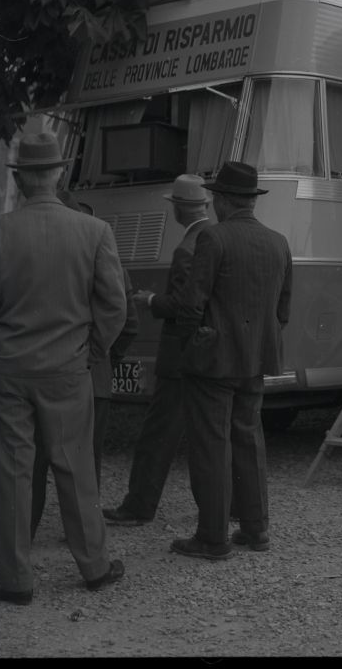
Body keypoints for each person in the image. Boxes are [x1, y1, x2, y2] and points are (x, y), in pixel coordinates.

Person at [0, 132, 127, 604]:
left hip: (8, 368)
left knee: (11, 473)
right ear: (59, 174)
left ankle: (15, 580)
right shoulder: (93, 231)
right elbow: (114, 306)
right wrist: (92, 350)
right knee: (75, 467)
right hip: (67, 367)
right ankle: (94, 568)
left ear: (19, 179)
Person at [169, 161, 292, 561]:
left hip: (214, 359)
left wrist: (191, 340)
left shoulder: (214, 239)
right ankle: (256, 530)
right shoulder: (278, 242)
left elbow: (192, 303)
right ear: (251, 200)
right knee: (248, 438)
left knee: (212, 445)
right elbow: (284, 309)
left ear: (221, 200)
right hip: (256, 358)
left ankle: (212, 536)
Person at [103, 174, 212, 526]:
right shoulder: (214, 238)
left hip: (178, 355)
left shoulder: (186, 247)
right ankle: (223, 508)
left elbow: (182, 305)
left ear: (179, 208)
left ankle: (138, 505)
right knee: (208, 435)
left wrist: (151, 300)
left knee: (156, 436)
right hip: (207, 353)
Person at [30, 191, 139, 541]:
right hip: (94, 376)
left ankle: (25, 529)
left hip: (41, 371)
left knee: (34, 460)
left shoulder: (37, 258)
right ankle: (83, 534)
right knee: (85, 462)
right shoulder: (110, 259)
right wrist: (101, 355)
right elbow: (129, 322)